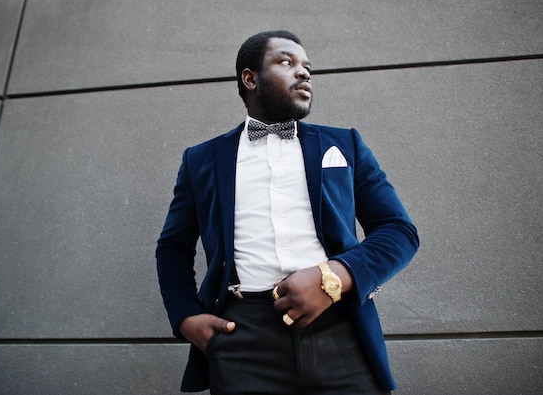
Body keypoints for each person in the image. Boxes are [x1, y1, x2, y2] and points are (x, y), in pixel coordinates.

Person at [156, 30, 419, 395]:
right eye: (286, 62)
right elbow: (173, 247)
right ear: (250, 79)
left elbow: (398, 230)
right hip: (242, 339)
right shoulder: (201, 159)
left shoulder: (345, 145)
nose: (304, 72)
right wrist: (186, 317)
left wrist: (337, 276)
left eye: (307, 67)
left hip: (340, 329)